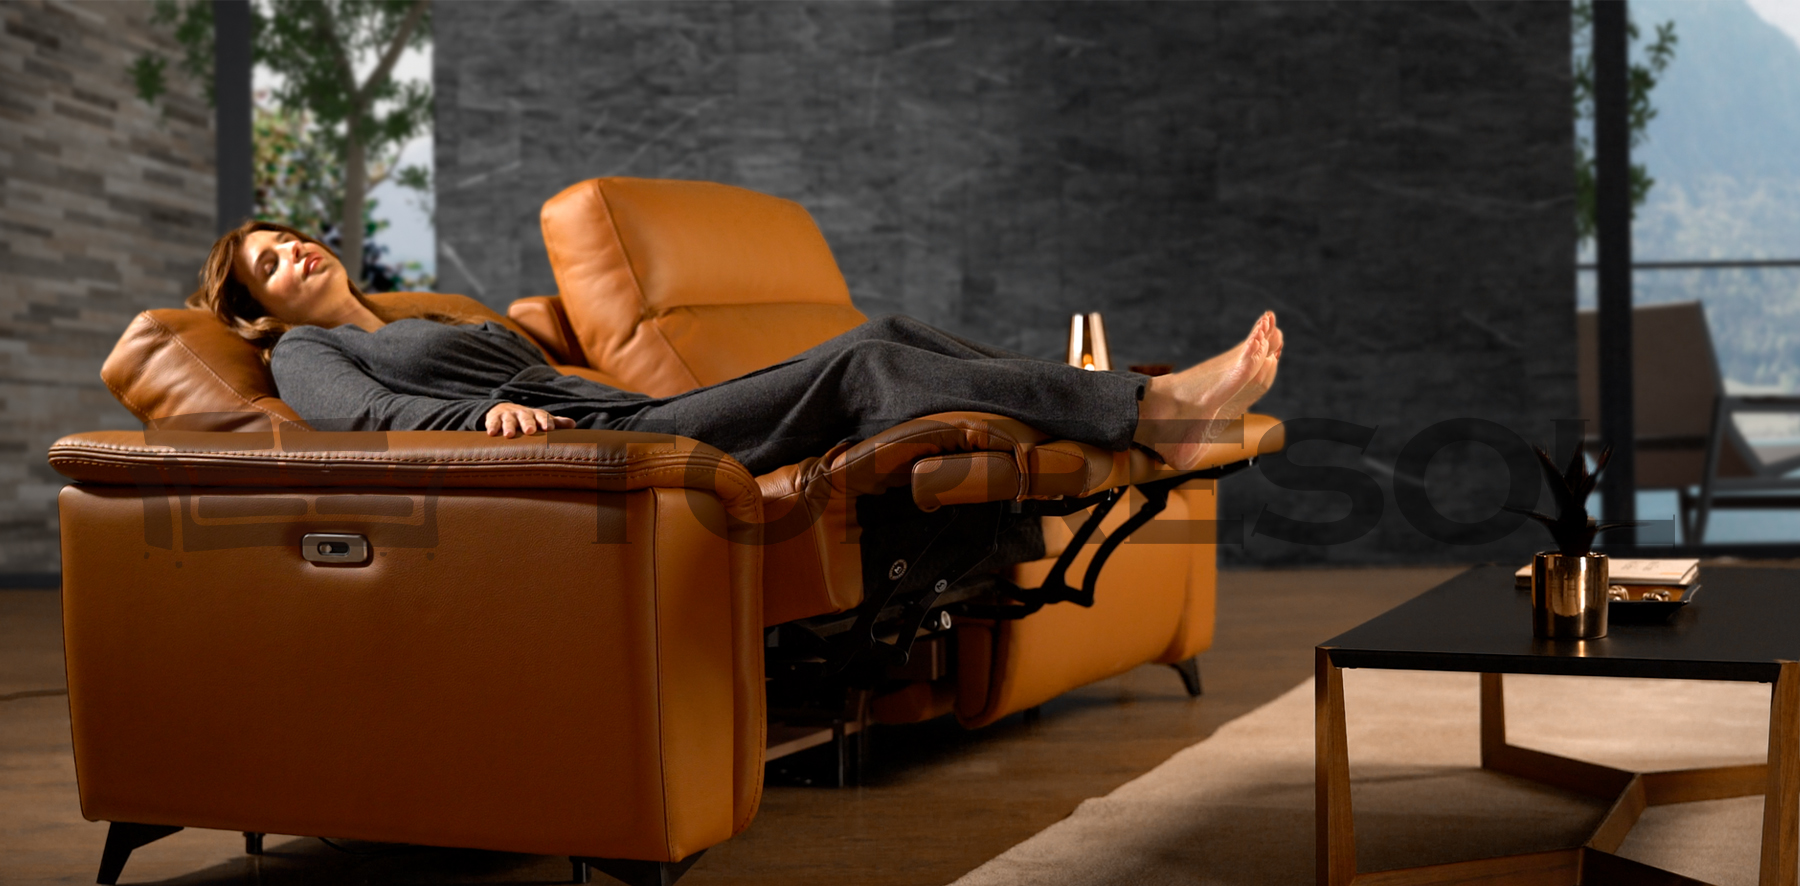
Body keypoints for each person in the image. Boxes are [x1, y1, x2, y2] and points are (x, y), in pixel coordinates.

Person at [192, 220, 1281, 474]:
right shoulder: (303, 356)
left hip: (622, 410)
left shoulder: (413, 319)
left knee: (888, 330)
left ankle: (1117, 394)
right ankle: (1158, 412)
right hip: (602, 443)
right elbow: (361, 420)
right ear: (259, 308)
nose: (294, 252)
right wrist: (479, 416)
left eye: (290, 237)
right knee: (866, 368)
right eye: (269, 264)